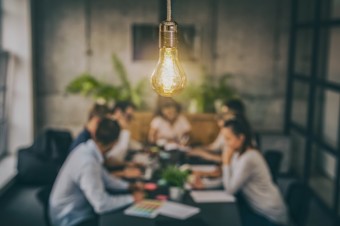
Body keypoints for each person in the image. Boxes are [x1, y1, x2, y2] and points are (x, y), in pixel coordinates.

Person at [49, 118, 144, 226]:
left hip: (73, 212)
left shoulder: (87, 150)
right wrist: (132, 198)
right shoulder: (87, 162)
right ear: (115, 143)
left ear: (95, 134)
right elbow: (101, 205)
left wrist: (129, 186)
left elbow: (106, 178)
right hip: (70, 219)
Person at [221, 118, 287, 226]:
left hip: (270, 216)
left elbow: (230, 189)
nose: (225, 143)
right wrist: (204, 185)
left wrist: (226, 163)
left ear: (241, 138)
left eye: (228, 139)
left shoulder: (249, 158)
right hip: (258, 210)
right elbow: (230, 178)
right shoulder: (238, 153)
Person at [188, 98, 246, 163]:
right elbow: (214, 147)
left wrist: (204, 154)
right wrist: (198, 149)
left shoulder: (236, 131)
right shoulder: (226, 129)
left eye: (225, 113)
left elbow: (228, 159)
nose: (222, 116)